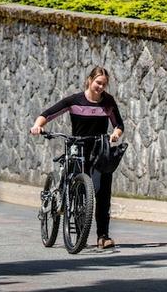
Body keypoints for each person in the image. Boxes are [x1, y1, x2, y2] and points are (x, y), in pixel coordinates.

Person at [30, 66, 124, 249]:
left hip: (99, 150)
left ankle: (103, 236)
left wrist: (115, 134)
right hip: (77, 148)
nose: (100, 87)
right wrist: (37, 126)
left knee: (103, 193)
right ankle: (79, 229)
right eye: (98, 83)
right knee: (78, 188)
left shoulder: (108, 102)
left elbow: (119, 124)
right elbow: (47, 114)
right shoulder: (75, 100)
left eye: (104, 84)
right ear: (89, 80)